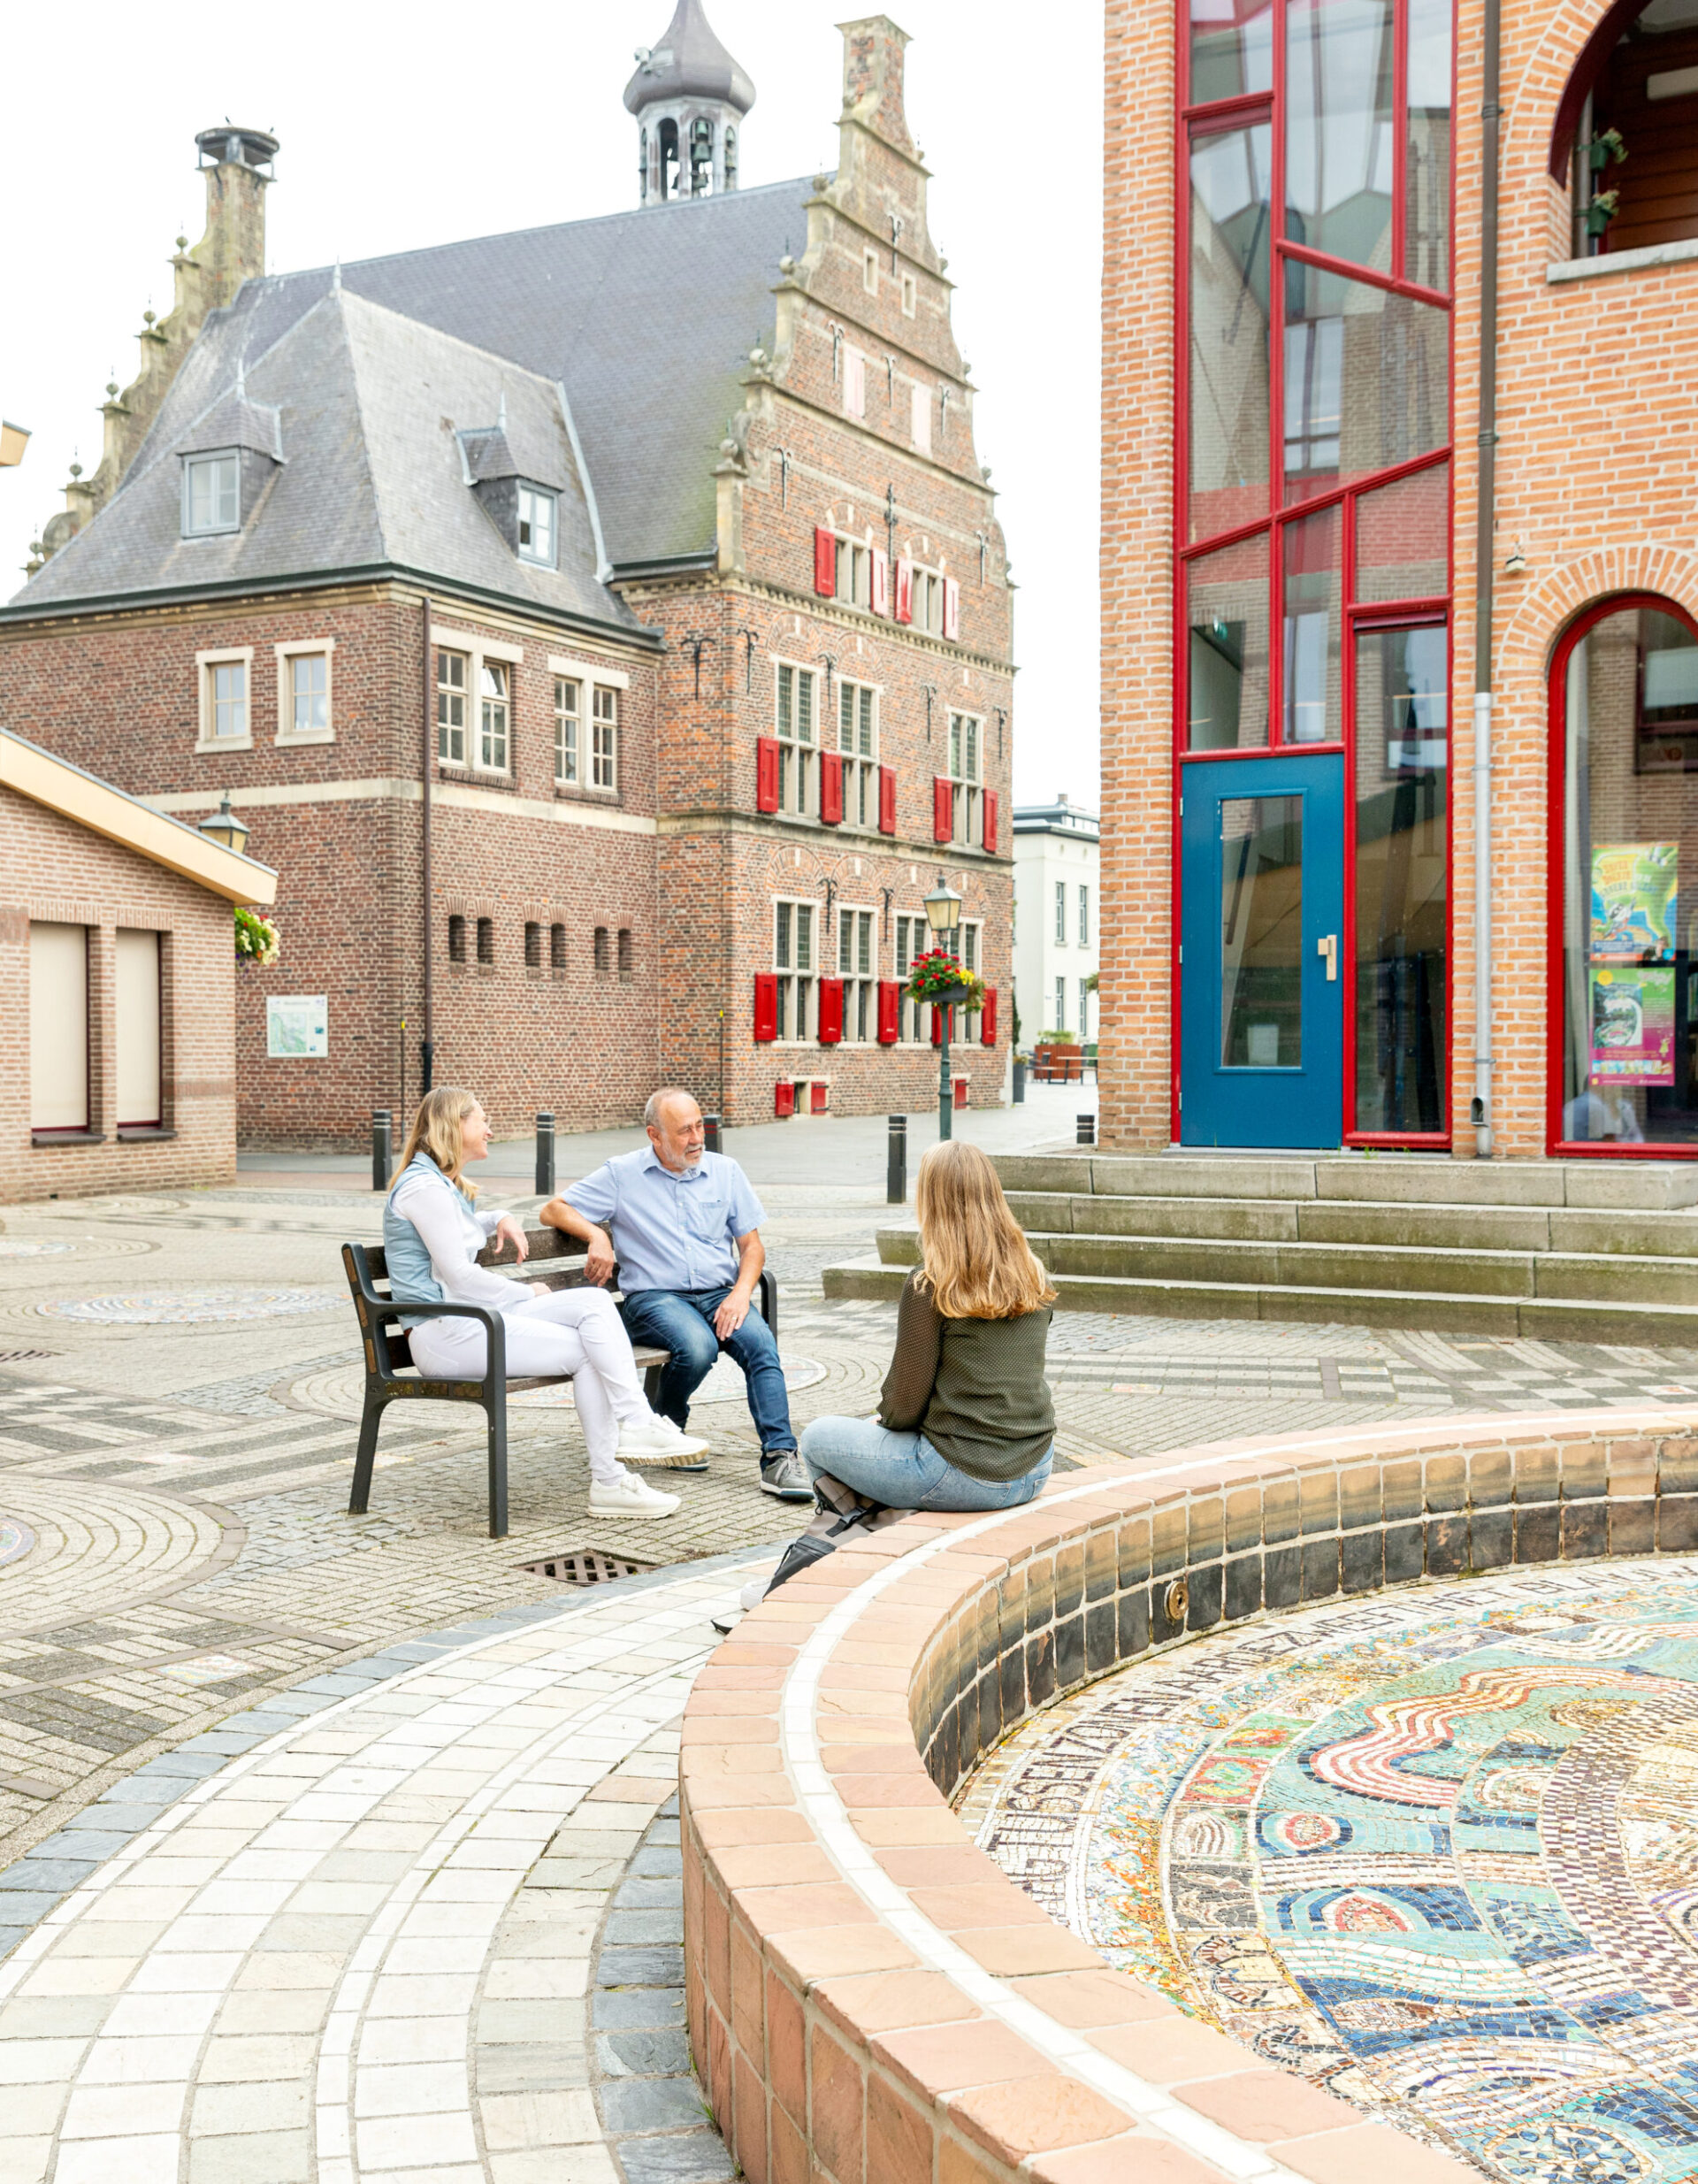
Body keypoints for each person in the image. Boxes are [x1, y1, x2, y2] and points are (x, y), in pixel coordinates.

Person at [385, 1087, 703, 1520]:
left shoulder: (437, 1183)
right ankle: (612, 1477)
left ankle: (635, 1429)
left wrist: (498, 1216)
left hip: (472, 1322)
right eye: (481, 1120)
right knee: (590, 1353)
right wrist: (523, 1291)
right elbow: (458, 1275)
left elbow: (455, 1227)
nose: (489, 1129)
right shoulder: (423, 1187)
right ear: (454, 1126)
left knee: (593, 1302)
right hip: (446, 1334)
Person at [542, 1088, 810, 1501]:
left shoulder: (726, 1171)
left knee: (761, 1346)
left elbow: (752, 1248)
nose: (697, 1138)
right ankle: (668, 1426)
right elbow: (553, 1209)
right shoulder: (622, 1174)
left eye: (700, 1125)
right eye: (684, 1130)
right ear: (655, 1135)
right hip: (654, 1298)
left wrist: (740, 1295)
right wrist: (597, 1234)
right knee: (697, 1346)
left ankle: (779, 1457)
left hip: (720, 1292)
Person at [798, 1138, 1057, 1513]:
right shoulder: (1031, 1271)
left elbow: (904, 1404)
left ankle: (856, 1540)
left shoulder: (931, 1283)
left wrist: (882, 1420)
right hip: (1035, 1466)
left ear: (932, 1201)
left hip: (962, 1474)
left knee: (818, 1438)